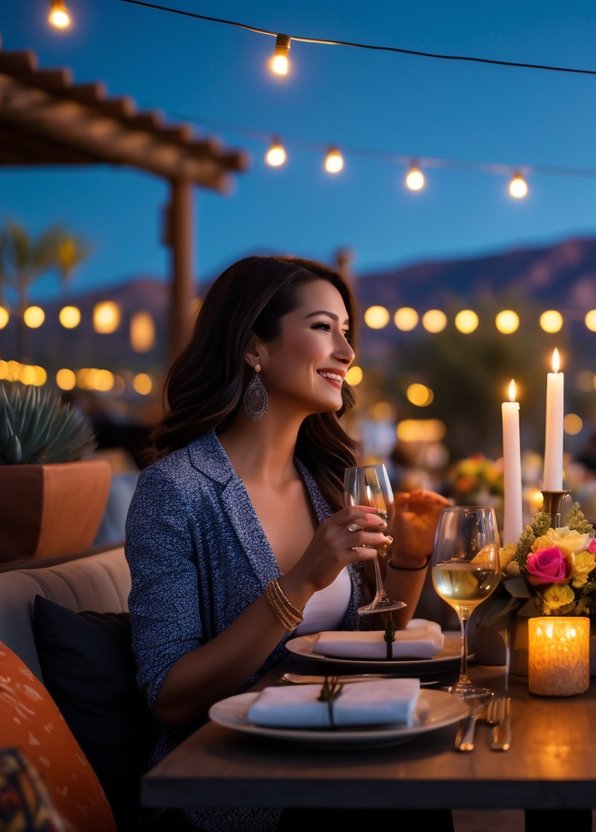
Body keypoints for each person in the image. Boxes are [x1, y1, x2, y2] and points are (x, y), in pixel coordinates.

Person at [125, 255, 450, 831]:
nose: (348, 354)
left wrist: (411, 554)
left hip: (340, 749)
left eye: (347, 333)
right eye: (324, 328)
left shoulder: (325, 483)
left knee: (425, 784)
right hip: (238, 781)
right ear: (255, 347)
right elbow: (170, 698)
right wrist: (301, 581)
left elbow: (369, 642)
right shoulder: (176, 491)